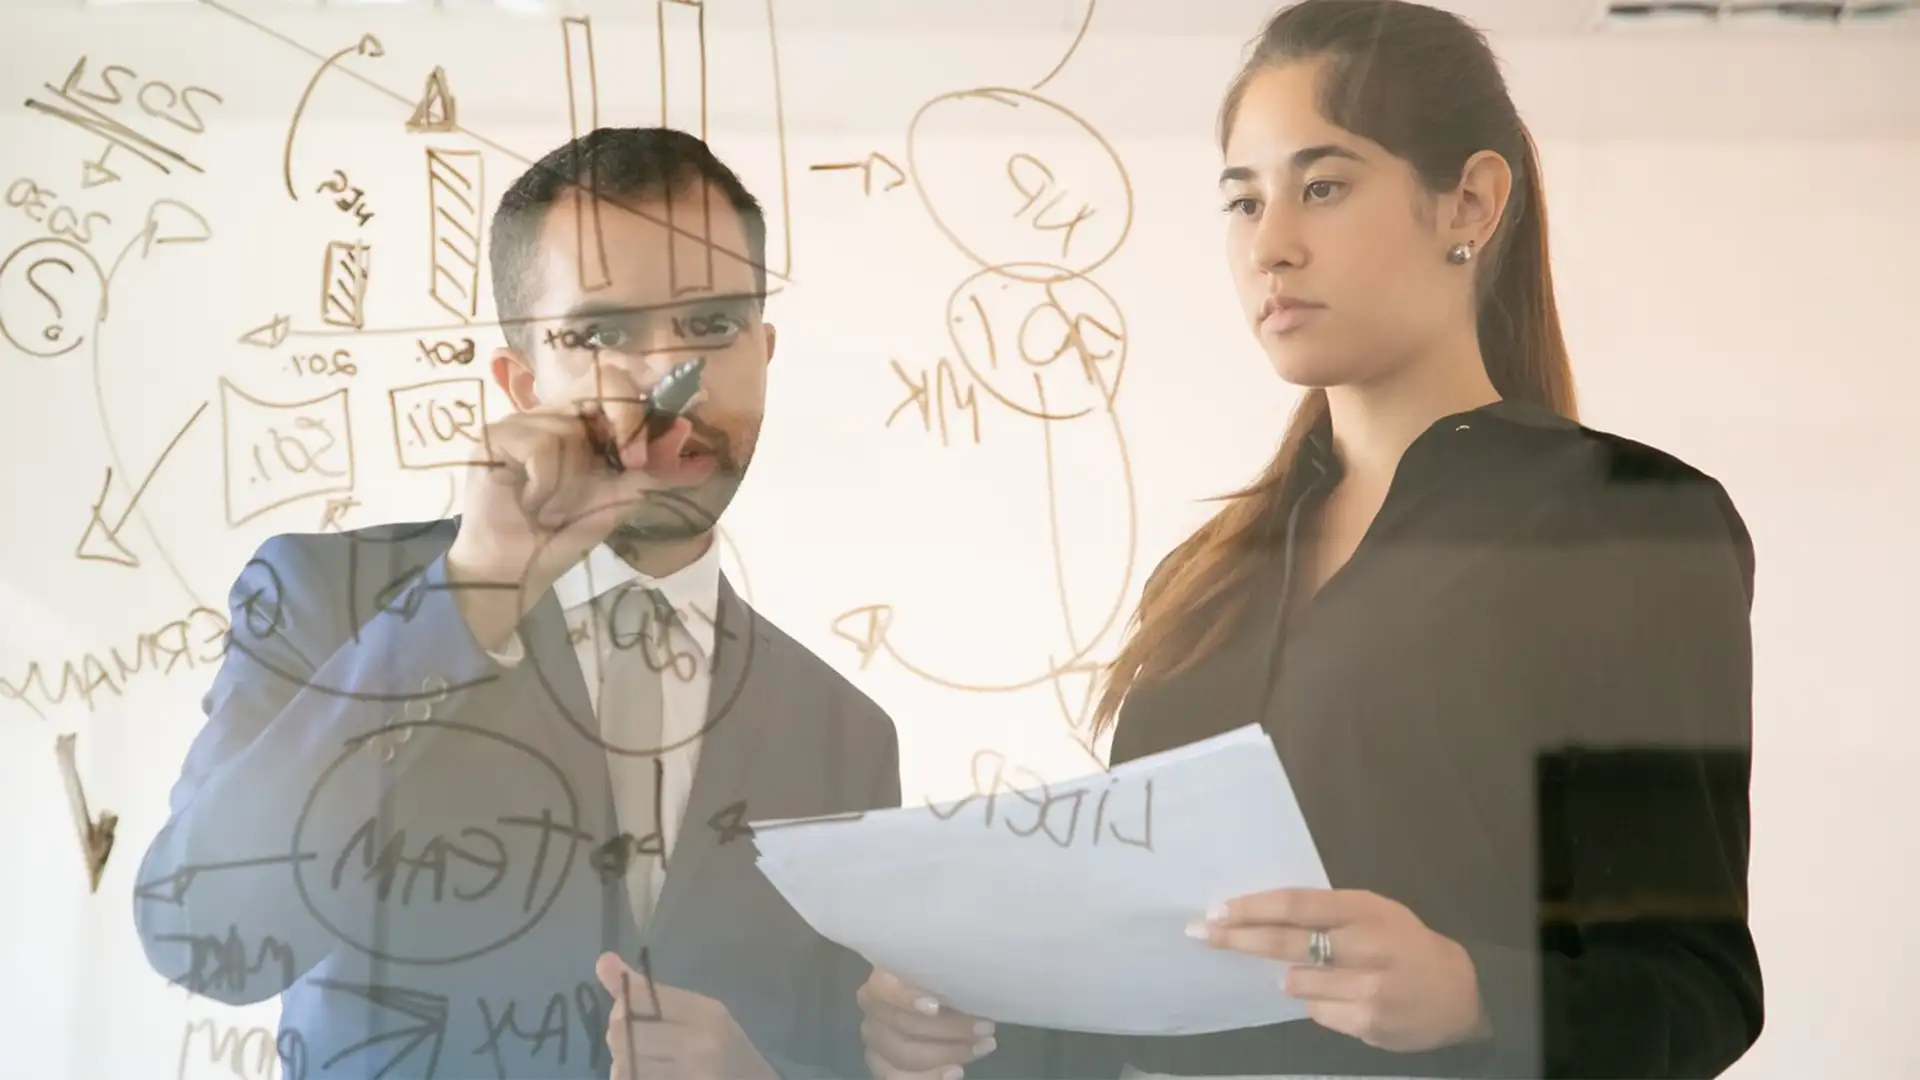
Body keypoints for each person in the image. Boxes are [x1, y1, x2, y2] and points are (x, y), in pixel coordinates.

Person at [855, 1, 1763, 1077]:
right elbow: (1153, 981)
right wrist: (972, 1014)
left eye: (1322, 187)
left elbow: (1698, 991)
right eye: (1243, 202)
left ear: (1467, 201)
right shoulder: (1206, 578)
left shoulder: (1624, 520)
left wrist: (1475, 995)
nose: (1271, 245)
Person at [133, 127, 901, 1080]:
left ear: (765, 351)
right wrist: (476, 590)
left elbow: (832, 1045)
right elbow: (205, 938)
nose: (672, 381)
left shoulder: (844, 735)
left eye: (712, 326)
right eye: (605, 334)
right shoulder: (324, 600)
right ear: (523, 382)